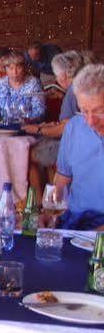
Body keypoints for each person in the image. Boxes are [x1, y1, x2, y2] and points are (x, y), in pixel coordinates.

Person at [23, 51, 86, 200]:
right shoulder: (78, 87)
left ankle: (40, 202)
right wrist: (51, 125)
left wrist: (39, 129)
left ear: (64, 75)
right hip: (77, 143)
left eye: (57, 75)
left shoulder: (72, 92)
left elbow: (66, 128)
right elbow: (70, 122)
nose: (56, 79)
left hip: (72, 147)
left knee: (27, 155)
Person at [53, 64, 104, 230]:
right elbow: (61, 180)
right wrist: (51, 212)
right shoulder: (74, 127)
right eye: (84, 111)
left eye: (99, 111)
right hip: (75, 221)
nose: (90, 121)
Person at [0, 50, 45, 121]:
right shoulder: (1, 83)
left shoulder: (33, 83)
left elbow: (39, 110)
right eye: (10, 68)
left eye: (18, 68)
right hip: (4, 125)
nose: (14, 72)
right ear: (5, 69)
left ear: (24, 68)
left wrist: (28, 119)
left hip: (28, 126)